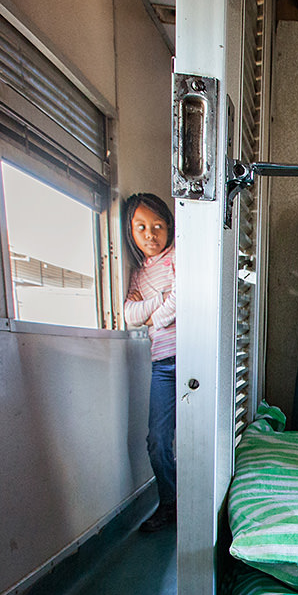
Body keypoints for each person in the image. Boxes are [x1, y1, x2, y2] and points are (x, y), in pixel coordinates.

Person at [123, 192, 177, 532]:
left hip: (193, 357)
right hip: (163, 364)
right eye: (141, 227)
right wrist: (162, 298)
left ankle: (203, 504)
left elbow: (186, 297)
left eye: (158, 226)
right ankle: (169, 503)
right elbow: (130, 314)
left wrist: (153, 317)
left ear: (169, 227)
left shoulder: (178, 257)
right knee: (157, 440)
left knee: (195, 437)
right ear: (131, 232)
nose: (151, 234)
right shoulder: (139, 275)